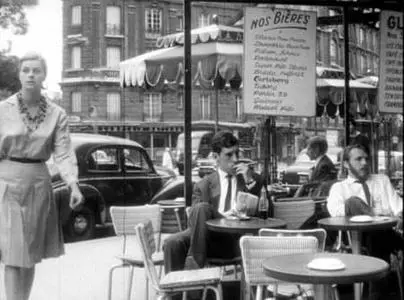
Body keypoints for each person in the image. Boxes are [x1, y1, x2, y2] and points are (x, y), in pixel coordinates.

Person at [0, 52, 84, 300]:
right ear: (19, 74)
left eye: (36, 70)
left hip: (38, 182)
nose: (30, 75)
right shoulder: (3, 110)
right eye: (25, 70)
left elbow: (64, 153)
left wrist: (74, 186)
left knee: (30, 254)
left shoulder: (57, 113)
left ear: (44, 75)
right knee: (14, 254)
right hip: (7, 182)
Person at [163, 131, 263, 273]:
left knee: (201, 209)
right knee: (172, 243)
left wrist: (250, 183)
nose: (235, 159)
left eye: (237, 154)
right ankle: (176, 293)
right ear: (216, 157)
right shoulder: (203, 185)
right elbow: (194, 223)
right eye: (229, 155)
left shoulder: (252, 179)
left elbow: (266, 213)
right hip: (210, 239)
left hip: (238, 239)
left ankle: (194, 268)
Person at [326, 144, 402, 299]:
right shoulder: (339, 188)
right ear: (346, 164)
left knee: (378, 237)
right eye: (358, 159)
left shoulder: (382, 180)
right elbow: (336, 215)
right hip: (355, 242)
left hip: (390, 236)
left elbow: (398, 207)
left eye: (366, 159)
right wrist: (374, 214)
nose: (364, 163)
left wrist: (399, 216)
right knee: (353, 202)